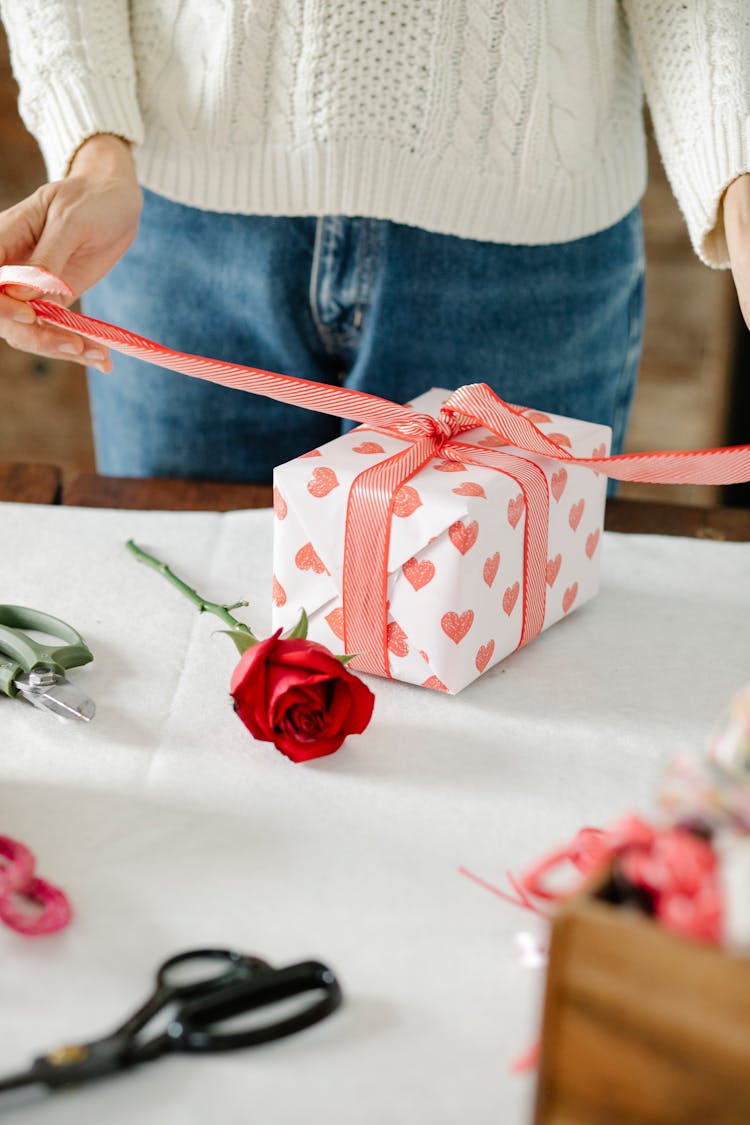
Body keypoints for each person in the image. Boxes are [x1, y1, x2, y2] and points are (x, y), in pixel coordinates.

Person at [0, 2, 748, 483]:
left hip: (528, 252)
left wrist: (740, 178)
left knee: (513, 698)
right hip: (181, 236)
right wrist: (92, 140)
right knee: (187, 655)